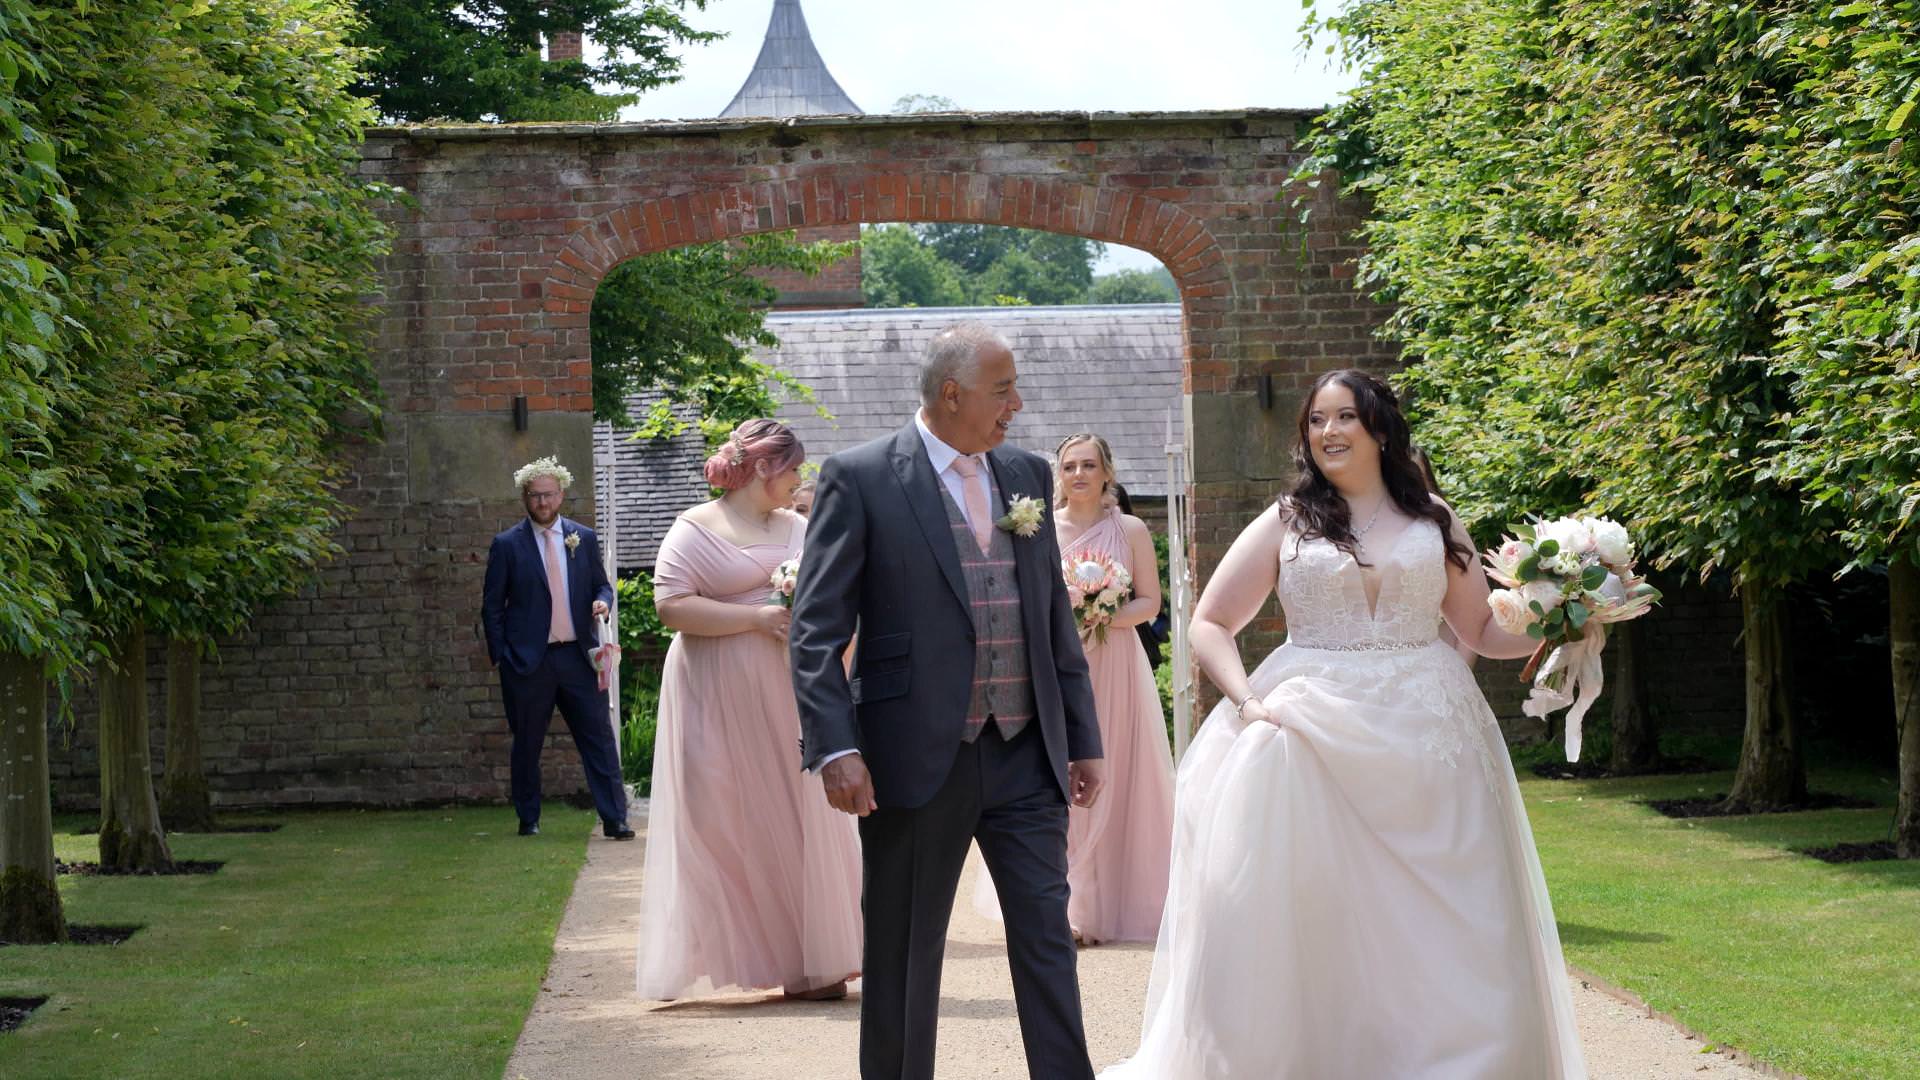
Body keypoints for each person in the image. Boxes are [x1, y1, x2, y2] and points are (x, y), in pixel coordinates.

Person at [1101, 370, 1586, 1078]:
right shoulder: (1287, 520)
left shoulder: (1434, 519)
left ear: (1379, 428)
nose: (1327, 432)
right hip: (1309, 729)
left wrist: (1562, 620)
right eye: (1316, 420)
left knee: (1446, 912)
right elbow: (1210, 622)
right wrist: (1248, 703)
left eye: (1344, 417)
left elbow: (1481, 629)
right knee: (1312, 909)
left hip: (1428, 737)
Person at [790, 321, 1107, 1080]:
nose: (1017, 405)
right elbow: (815, 630)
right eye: (1003, 391)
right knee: (903, 952)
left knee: (1047, 940)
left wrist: (1082, 738)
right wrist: (836, 746)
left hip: (1026, 752)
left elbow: (1051, 618)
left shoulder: (1025, 473)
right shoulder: (862, 477)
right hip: (911, 756)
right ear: (953, 393)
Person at [636, 419, 862, 1002]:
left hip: (787, 690)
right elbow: (671, 607)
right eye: (793, 469)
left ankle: (812, 962)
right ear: (763, 467)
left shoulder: (800, 528)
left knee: (796, 812)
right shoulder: (694, 527)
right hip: (714, 690)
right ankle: (753, 954)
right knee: (726, 817)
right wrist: (755, 618)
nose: (798, 479)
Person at [1048, 435, 1175, 944]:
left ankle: (1116, 898)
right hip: (1058, 665)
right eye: (1069, 466)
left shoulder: (1131, 529)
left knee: (1116, 768)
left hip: (1116, 663)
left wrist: (1101, 613)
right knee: (1059, 770)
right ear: (1059, 475)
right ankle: (1067, 905)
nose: (1078, 474)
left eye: (1088, 465)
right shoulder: (1041, 530)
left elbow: (1149, 603)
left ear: (1106, 473)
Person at [481, 457, 631, 840]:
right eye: (535, 495)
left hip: (579, 657)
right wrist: (502, 657)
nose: (543, 502)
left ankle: (615, 819)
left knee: (598, 740)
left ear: (561, 494)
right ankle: (528, 819)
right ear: (525, 498)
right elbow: (492, 607)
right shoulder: (507, 545)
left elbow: (602, 585)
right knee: (527, 744)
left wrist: (602, 602)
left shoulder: (583, 537)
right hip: (528, 663)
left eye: (548, 494)